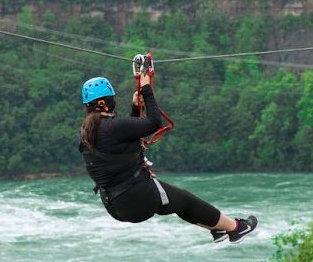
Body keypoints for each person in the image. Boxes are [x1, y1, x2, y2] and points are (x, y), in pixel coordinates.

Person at [77, 73, 258, 243]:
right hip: (136, 197)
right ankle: (237, 228)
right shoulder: (112, 127)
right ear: (110, 101)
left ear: (88, 106)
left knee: (179, 203)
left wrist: (135, 107)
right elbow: (154, 123)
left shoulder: (89, 132)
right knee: (187, 200)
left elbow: (128, 136)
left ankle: (218, 228)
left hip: (116, 205)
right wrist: (146, 88)